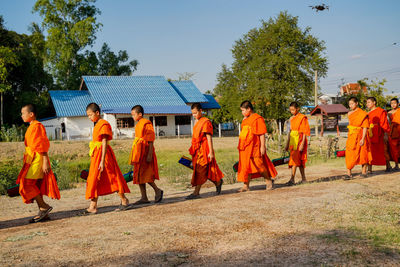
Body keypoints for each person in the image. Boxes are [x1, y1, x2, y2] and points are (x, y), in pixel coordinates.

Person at [17, 104, 60, 223]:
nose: (21, 116)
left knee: (26, 183)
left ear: (31, 114)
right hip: (31, 159)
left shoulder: (37, 126)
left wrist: (45, 161)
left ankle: (44, 206)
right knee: (35, 184)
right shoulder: (31, 126)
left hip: (38, 158)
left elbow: (42, 144)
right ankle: (43, 213)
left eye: (23, 113)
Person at [85, 103, 130, 214]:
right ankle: (93, 205)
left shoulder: (104, 124)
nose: (89, 117)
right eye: (88, 116)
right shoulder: (97, 125)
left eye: (91, 115)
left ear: (97, 113)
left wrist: (102, 160)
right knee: (94, 178)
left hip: (104, 155)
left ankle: (124, 200)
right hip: (96, 154)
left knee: (112, 177)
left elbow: (104, 142)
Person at [237, 100, 277, 192]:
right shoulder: (245, 120)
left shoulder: (258, 118)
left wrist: (262, 146)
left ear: (249, 109)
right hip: (245, 148)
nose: (242, 113)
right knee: (246, 165)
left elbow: (261, 133)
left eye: (243, 110)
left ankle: (268, 181)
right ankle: (246, 185)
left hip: (255, 147)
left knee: (259, 164)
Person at [186, 103, 224, 199]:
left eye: (195, 113)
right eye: (192, 113)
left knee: (200, 170)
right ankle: (218, 182)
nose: (194, 115)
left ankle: (196, 192)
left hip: (204, 149)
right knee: (205, 170)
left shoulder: (205, 122)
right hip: (197, 150)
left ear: (200, 111)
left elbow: (209, 138)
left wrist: (211, 152)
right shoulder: (196, 122)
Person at [129, 105, 163, 204]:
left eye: (133, 115)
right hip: (138, 152)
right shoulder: (138, 124)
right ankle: (144, 197)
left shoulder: (146, 123)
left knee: (146, 174)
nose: (132, 117)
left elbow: (151, 139)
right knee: (139, 175)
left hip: (145, 151)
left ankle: (157, 190)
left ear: (140, 114)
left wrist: (150, 154)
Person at [284, 102, 311, 185]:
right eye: (290, 110)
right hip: (293, 141)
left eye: (293, 109)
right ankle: (303, 179)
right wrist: (287, 144)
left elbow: (304, 131)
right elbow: (289, 132)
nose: (292, 111)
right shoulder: (291, 119)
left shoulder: (302, 118)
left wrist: (302, 143)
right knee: (296, 159)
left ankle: (292, 179)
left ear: (297, 109)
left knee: (297, 160)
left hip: (300, 140)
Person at [345, 97, 371, 179]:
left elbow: (365, 127)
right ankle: (349, 173)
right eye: (349, 104)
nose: (351, 105)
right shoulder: (349, 114)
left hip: (360, 135)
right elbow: (350, 126)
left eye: (352, 104)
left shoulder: (363, 114)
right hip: (352, 136)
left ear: (356, 103)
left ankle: (364, 172)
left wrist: (363, 138)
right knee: (349, 153)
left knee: (363, 153)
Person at [366, 97, 390, 173]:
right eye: (367, 103)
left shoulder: (381, 111)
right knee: (370, 150)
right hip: (370, 133)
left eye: (369, 102)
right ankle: (369, 169)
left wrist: (386, 134)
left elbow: (384, 123)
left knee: (383, 149)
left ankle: (388, 166)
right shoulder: (368, 113)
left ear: (374, 103)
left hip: (379, 133)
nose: (367, 104)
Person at [386, 98, 400, 171]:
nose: (393, 105)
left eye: (394, 103)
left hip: (399, 129)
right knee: (394, 149)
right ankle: (396, 165)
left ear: (398, 104)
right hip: (393, 131)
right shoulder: (389, 113)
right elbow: (390, 123)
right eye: (392, 103)